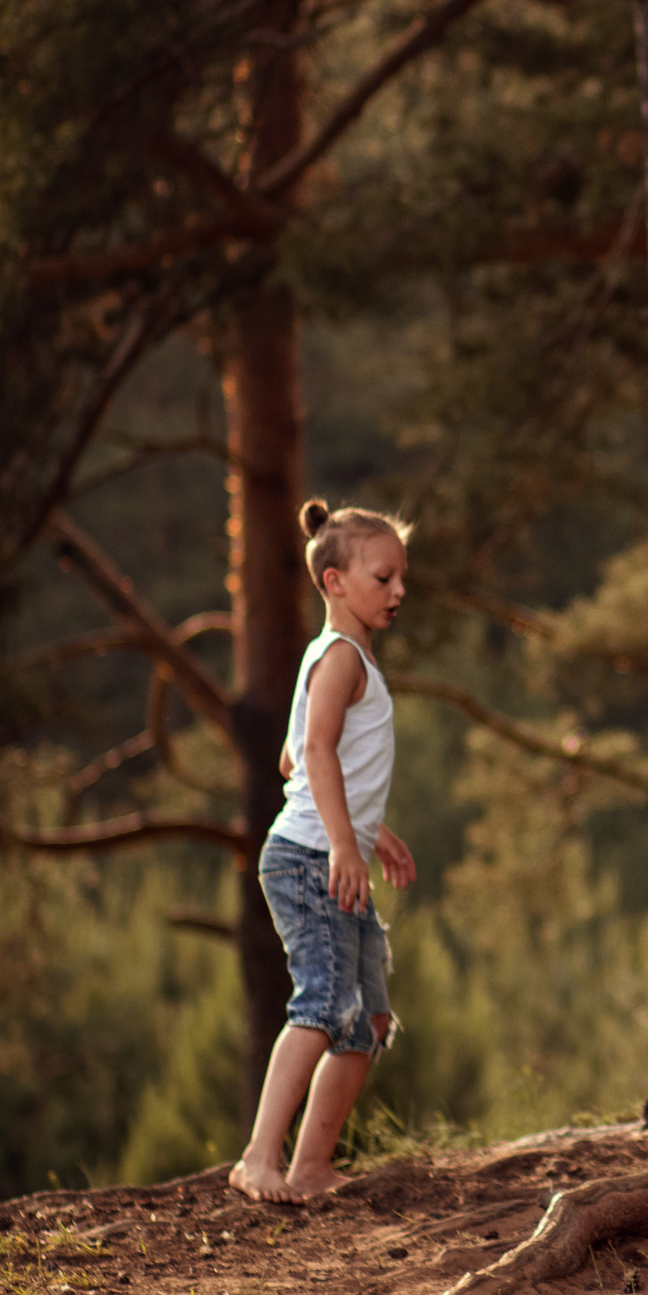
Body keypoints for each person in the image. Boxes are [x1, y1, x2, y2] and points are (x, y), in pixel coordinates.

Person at [228, 500, 418, 1202]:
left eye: (401, 578)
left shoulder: (335, 656)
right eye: (383, 576)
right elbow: (310, 751)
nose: (398, 590)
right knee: (323, 1005)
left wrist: (371, 832)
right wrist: (344, 840)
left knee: (365, 1020)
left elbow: (293, 763)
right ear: (335, 581)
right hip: (311, 858)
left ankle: (311, 1165)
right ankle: (258, 1157)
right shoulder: (340, 658)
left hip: (330, 848)